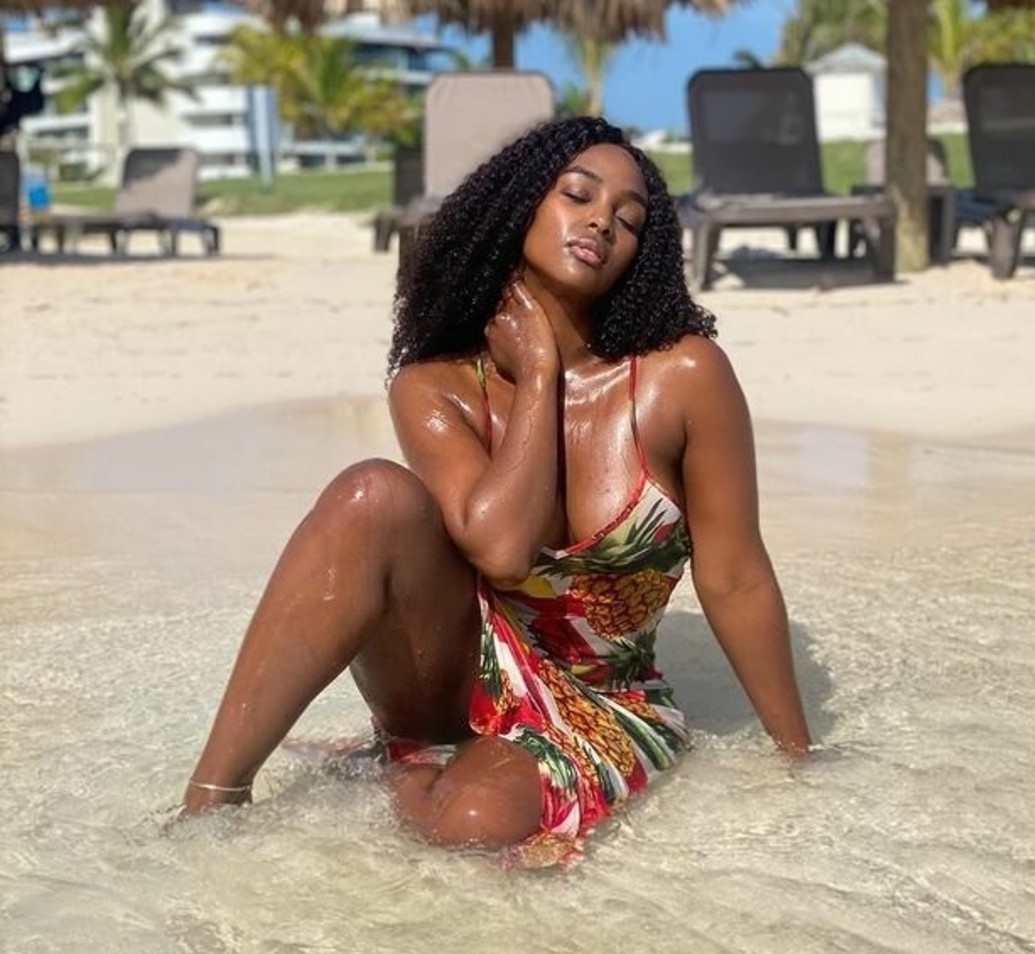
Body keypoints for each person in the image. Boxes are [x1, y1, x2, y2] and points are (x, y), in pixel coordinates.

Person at [182, 116, 811, 865]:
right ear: (519, 207)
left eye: (629, 219)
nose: (601, 222)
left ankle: (401, 773)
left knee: (474, 824)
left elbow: (736, 577)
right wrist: (540, 368)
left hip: (604, 698)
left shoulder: (683, 377)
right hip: (456, 673)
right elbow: (502, 548)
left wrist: (798, 762)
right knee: (370, 495)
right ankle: (207, 808)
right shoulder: (434, 386)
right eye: (577, 194)